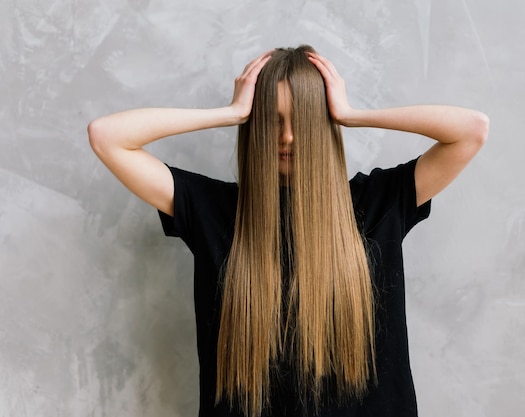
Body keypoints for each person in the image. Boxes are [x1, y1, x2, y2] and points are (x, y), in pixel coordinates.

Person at [88, 45, 489, 417]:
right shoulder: (214, 210)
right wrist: (230, 113)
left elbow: (471, 129)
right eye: (272, 120)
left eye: (304, 119)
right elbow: (107, 137)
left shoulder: (378, 204)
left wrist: (350, 114)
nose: (288, 136)